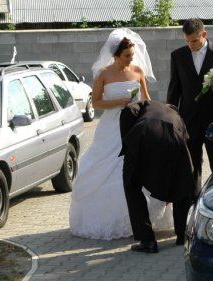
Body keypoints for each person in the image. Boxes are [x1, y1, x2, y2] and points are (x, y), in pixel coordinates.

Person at [69, 28, 173, 240]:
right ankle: (112, 220)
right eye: (127, 56)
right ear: (115, 55)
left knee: (139, 166)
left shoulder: (137, 71)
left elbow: (146, 98)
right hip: (112, 126)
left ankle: (143, 221)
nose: (131, 59)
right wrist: (118, 102)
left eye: (132, 55)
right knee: (111, 167)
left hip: (136, 125)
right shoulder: (103, 74)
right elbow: (96, 102)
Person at [167, 18, 213, 198]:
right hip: (189, 119)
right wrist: (171, 118)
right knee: (192, 166)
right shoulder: (177, 56)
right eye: (187, 41)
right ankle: (194, 205)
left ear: (204, 34)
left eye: (194, 41)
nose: (191, 45)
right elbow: (174, 90)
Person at [120, 100, 195, 253]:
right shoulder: (175, 115)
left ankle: (147, 240)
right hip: (175, 140)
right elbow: (186, 139)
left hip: (144, 134)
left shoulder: (138, 106)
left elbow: (127, 120)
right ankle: (183, 235)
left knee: (131, 184)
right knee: (182, 185)